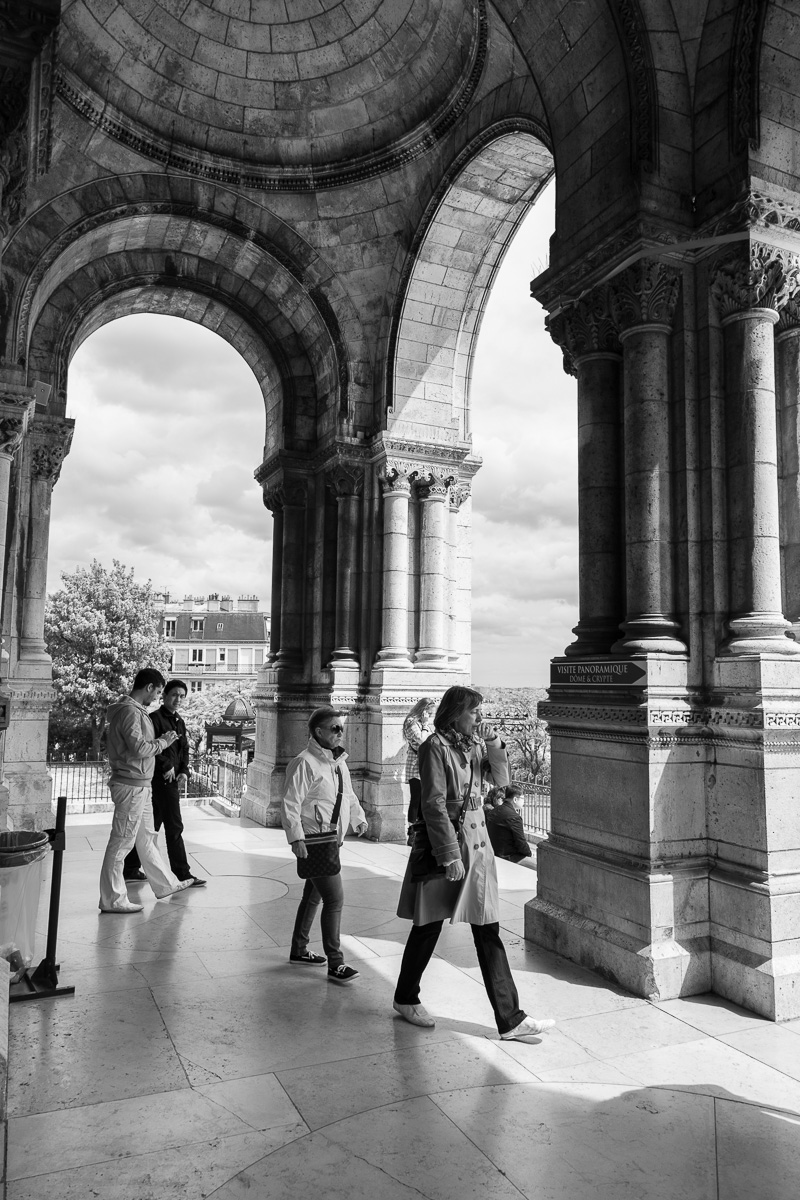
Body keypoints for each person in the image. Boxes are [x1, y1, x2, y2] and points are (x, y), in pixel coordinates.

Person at [393, 685, 554, 1039]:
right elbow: (433, 804)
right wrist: (448, 854)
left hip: (477, 847)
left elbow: (502, 779)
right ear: (454, 713)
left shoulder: (475, 744)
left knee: (487, 927)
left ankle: (510, 1018)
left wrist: (495, 742)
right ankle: (406, 997)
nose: (479, 717)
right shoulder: (435, 747)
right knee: (428, 926)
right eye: (474, 711)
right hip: (449, 844)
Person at [281, 706, 369, 984]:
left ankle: (299, 949)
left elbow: (348, 795)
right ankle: (336, 963)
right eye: (335, 728)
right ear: (318, 731)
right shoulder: (304, 762)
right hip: (314, 839)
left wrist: (359, 818)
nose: (340, 733)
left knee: (313, 895)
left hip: (332, 838)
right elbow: (290, 803)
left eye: (342, 728)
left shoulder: (336, 761)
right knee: (335, 899)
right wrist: (296, 838)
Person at [98, 669, 195, 913]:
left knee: (147, 838)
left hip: (139, 783)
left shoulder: (133, 711)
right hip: (131, 784)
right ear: (150, 687)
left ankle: (165, 884)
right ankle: (112, 899)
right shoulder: (130, 712)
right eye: (159, 691)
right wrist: (165, 741)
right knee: (121, 842)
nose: (158, 697)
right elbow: (139, 748)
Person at [122, 679, 205, 887]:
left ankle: (130, 868)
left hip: (172, 780)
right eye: (174, 694)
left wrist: (184, 770)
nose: (178, 699)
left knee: (152, 828)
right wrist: (167, 765)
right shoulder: (153, 719)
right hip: (160, 780)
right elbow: (148, 747)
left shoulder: (179, 721)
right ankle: (183, 874)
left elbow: (184, 748)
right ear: (164, 695)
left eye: (182, 696)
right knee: (175, 827)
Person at [402, 697, 436, 830]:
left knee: (423, 800)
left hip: (425, 765)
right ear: (423, 711)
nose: (430, 716)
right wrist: (426, 724)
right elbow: (423, 740)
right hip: (415, 766)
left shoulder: (421, 724)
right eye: (430, 713)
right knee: (416, 799)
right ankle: (412, 831)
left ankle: (420, 829)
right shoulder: (412, 723)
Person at [485, 784, 535, 868]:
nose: (524, 801)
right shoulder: (514, 817)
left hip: (492, 853)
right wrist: (529, 854)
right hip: (508, 857)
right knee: (540, 866)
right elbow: (521, 843)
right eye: (523, 798)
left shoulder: (494, 811)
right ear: (515, 799)